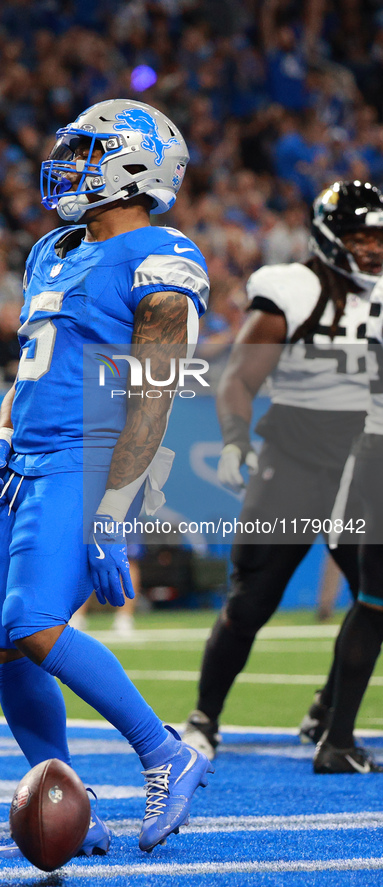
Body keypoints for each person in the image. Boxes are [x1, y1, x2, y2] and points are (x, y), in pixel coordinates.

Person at [0, 99, 213, 858]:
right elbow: (31, 366)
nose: (70, 165)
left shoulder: (162, 255)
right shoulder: (52, 249)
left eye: (88, 151)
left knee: (35, 622)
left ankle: (164, 750)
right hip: (26, 460)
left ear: (135, 166)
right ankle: (69, 804)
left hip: (87, 454)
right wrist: (2, 431)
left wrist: (116, 507)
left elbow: (155, 393)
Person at [183, 181, 383, 762]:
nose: (370, 249)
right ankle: (204, 719)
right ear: (328, 239)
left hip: (361, 467)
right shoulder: (293, 291)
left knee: (375, 600)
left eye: (376, 237)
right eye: (358, 237)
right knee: (252, 601)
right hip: (295, 464)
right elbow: (239, 379)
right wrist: (234, 442)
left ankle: (329, 711)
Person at [312, 272, 383, 773]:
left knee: (373, 604)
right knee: (373, 604)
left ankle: (333, 729)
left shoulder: (372, 295)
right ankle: (334, 736)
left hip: (367, 449)